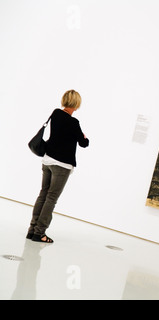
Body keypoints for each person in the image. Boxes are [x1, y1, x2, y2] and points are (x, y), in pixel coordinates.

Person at [27, 90, 89, 243]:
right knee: (51, 198)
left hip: (47, 160)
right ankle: (40, 233)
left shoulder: (55, 114)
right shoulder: (74, 123)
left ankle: (32, 230)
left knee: (43, 194)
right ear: (76, 104)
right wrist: (85, 137)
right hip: (62, 165)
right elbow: (84, 143)